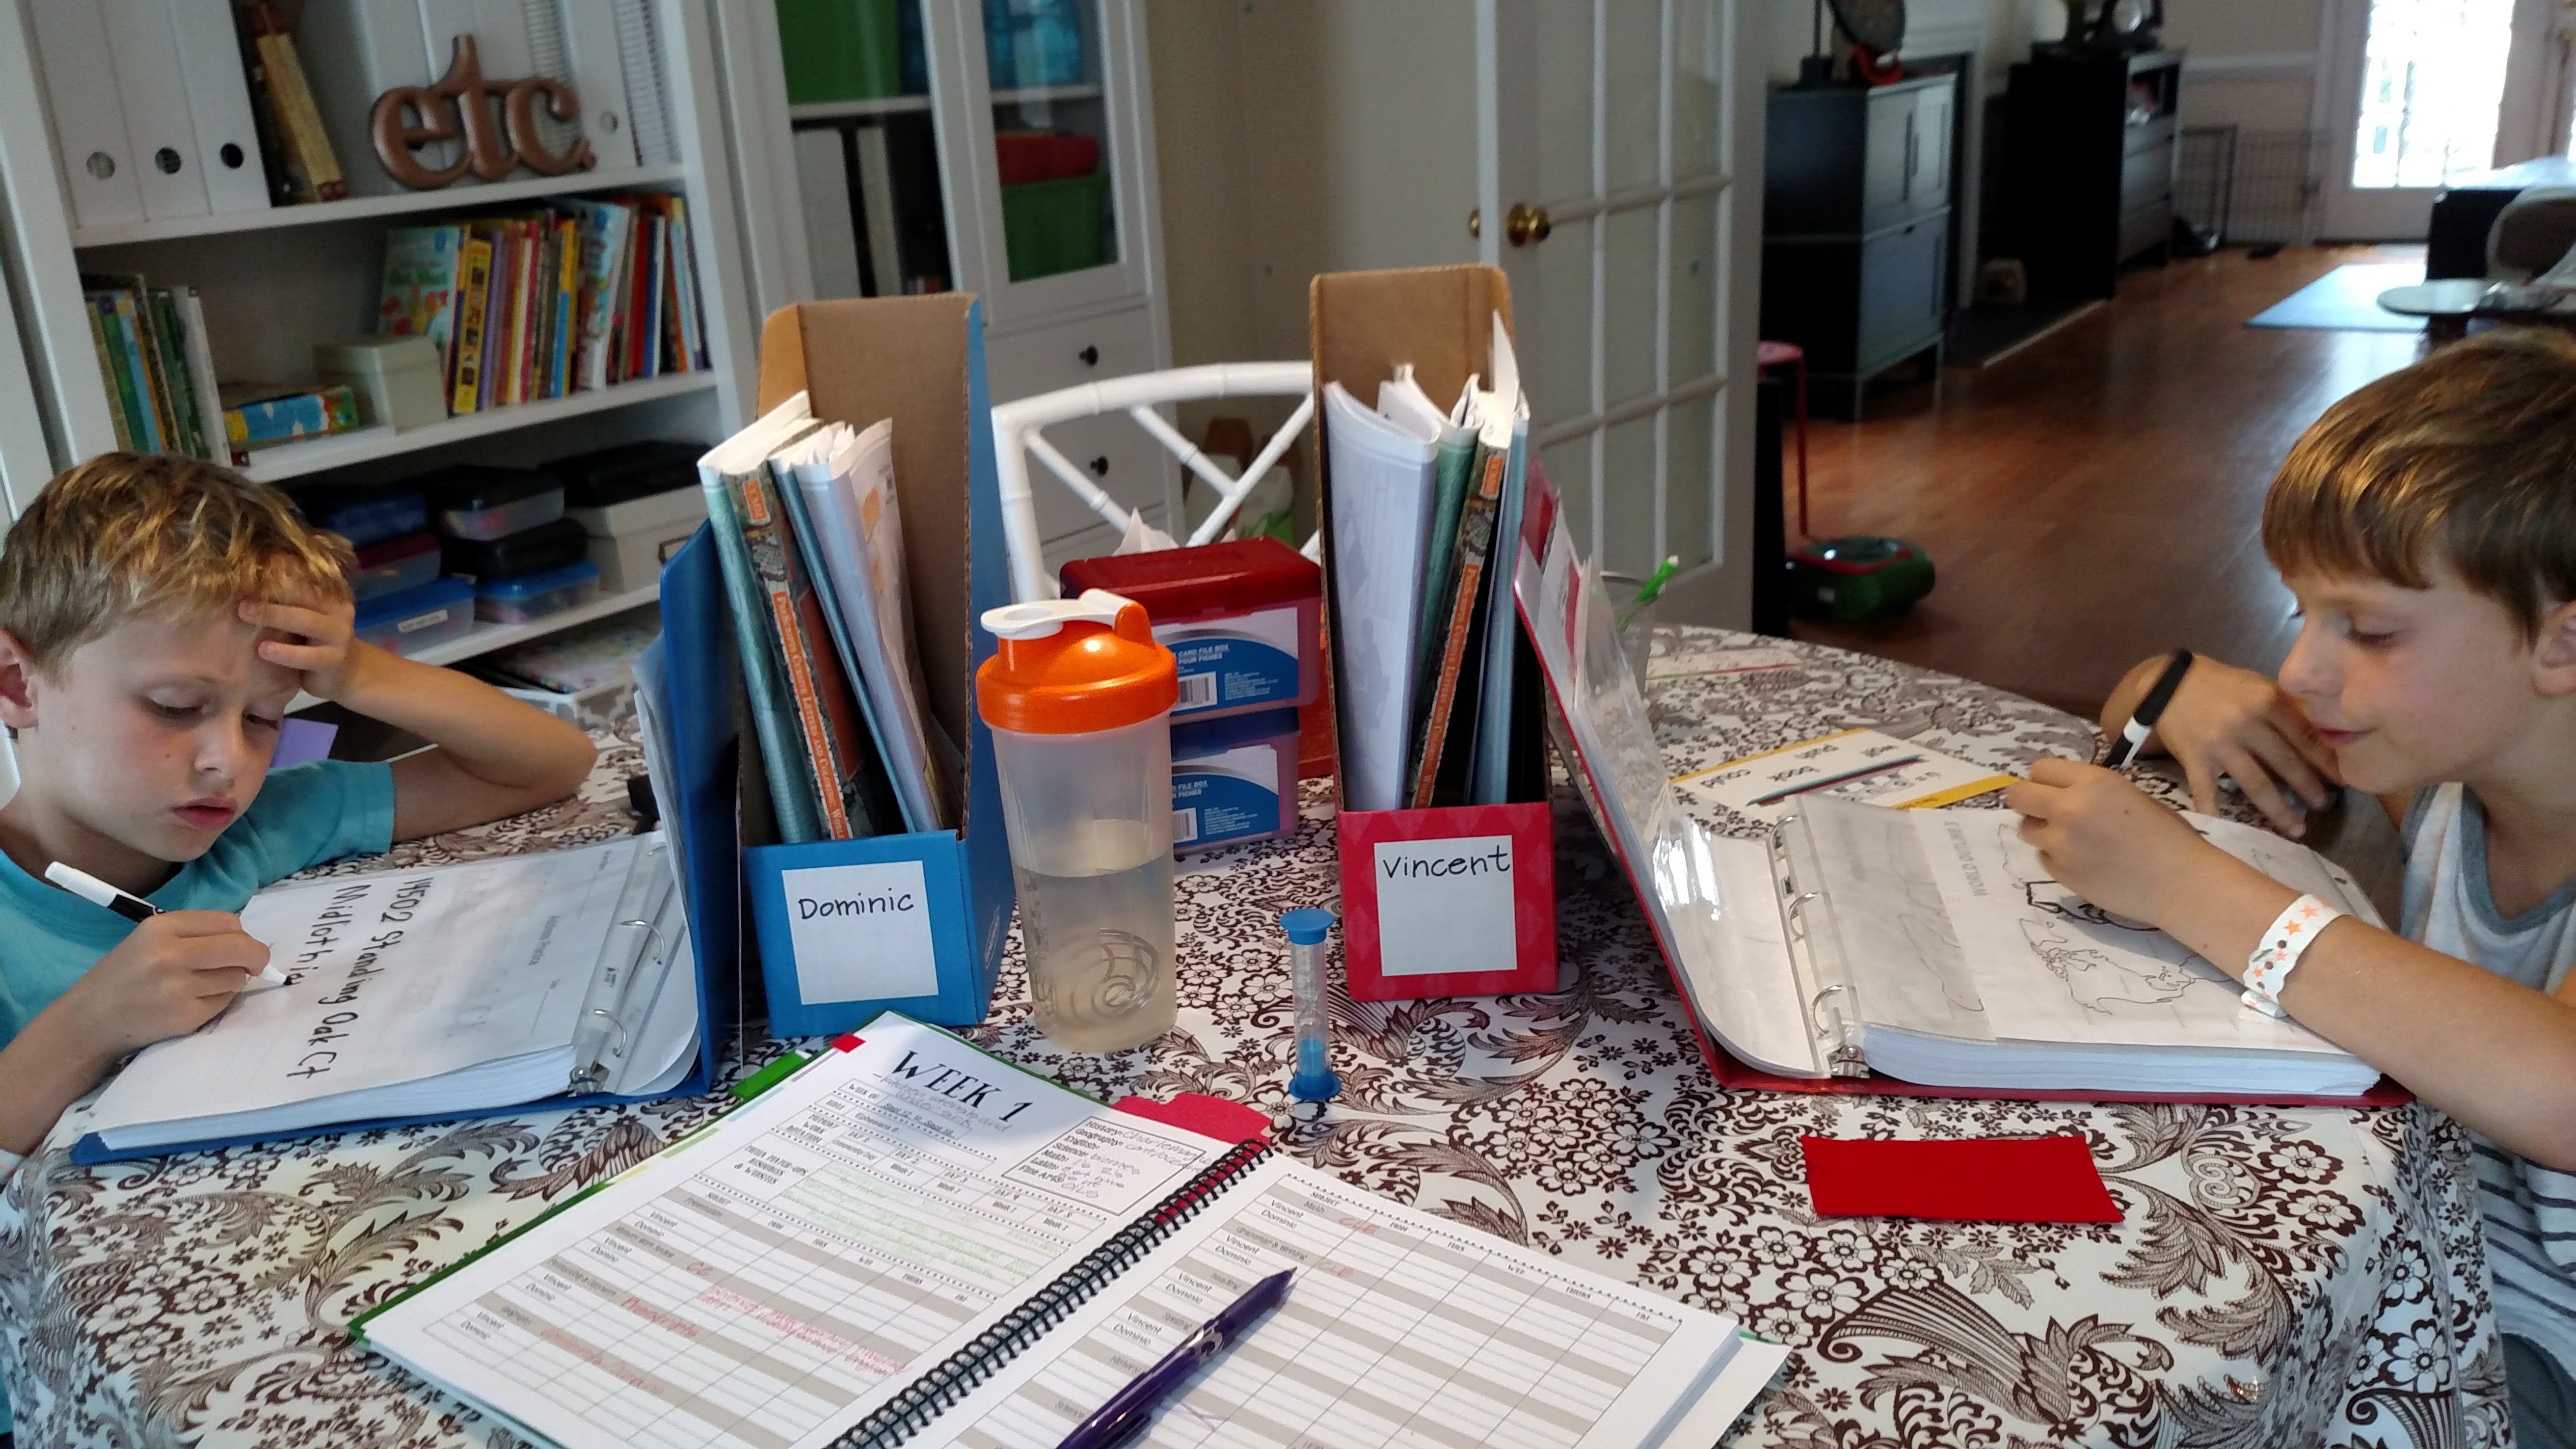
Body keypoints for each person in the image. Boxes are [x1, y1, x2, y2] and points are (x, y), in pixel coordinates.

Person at [2007, 331, 2576, 1449]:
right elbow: (2158, 694)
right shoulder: (2445, 776)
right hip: (2403, 1248)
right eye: (2300, 615)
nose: (2303, 673)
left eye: (2365, 630)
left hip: (2533, 1357)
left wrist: (2182, 883)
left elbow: (2559, 1091)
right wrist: (2166, 686)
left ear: (2563, 642)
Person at [0, 453, 596, 1414]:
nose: (225, 764)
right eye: (176, 708)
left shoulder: (259, 826)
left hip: (302, 1277)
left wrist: (360, 673)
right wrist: (86, 1025)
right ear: (17, 685)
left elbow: (548, 765)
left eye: (266, 719)